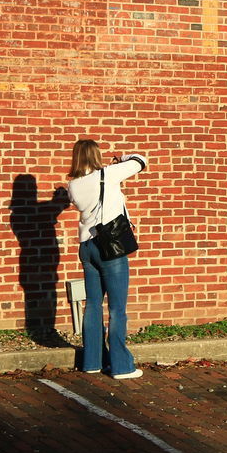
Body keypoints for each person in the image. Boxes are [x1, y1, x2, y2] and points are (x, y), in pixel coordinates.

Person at [65, 139, 146, 379]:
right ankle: (121, 366)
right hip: (110, 248)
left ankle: (93, 361)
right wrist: (120, 158)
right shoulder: (108, 174)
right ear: (95, 155)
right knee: (117, 308)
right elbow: (141, 160)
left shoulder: (73, 185)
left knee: (92, 305)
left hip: (86, 247)